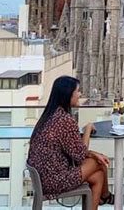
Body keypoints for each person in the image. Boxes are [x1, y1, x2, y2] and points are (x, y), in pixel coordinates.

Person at [27, 76, 114, 209]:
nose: (80, 94)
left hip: (41, 178)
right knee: (98, 162)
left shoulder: (50, 115)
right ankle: (106, 195)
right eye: (77, 91)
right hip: (54, 180)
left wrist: (92, 153)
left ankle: (105, 196)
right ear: (68, 94)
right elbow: (79, 155)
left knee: (98, 176)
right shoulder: (65, 120)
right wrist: (88, 129)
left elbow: (75, 150)